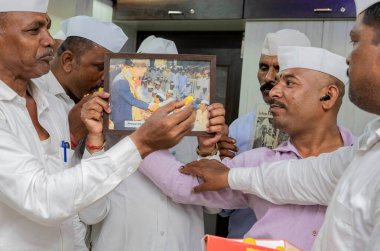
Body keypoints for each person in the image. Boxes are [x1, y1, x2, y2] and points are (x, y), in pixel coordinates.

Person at [175, 1, 380, 250]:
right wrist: (213, 157)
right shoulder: (241, 129)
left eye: (287, 78)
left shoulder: (356, 149)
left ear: (327, 95)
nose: (272, 84)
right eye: (264, 68)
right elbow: (215, 198)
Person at [0, 1, 196, 250]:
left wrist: (94, 146)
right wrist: (141, 142)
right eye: (34, 30)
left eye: (47, 28)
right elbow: (43, 200)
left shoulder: (55, 107)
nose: (49, 40)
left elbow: (87, 212)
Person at [138, 46, 354, 251]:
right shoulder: (256, 161)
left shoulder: (364, 163)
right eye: (276, 82)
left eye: (289, 83)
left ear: (328, 96)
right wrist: (138, 140)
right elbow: (183, 185)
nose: (273, 92)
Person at [84, 36, 223, 251]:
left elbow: (213, 206)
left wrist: (207, 149)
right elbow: (90, 214)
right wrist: (95, 143)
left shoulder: (194, 134)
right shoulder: (109, 135)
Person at [218, 29, 311, 238]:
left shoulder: (331, 135)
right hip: (244, 240)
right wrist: (220, 164)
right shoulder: (239, 129)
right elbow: (222, 209)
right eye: (263, 67)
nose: (268, 77)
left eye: (278, 68)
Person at [33, 15, 129, 144]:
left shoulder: (88, 99)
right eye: (100, 67)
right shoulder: (33, 94)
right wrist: (72, 134)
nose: (105, 78)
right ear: (68, 61)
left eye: (111, 70)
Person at [110, 58, 159, 129]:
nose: (142, 75)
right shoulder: (121, 80)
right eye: (142, 73)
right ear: (136, 68)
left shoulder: (127, 78)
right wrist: (149, 106)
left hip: (128, 118)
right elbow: (131, 99)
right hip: (123, 120)